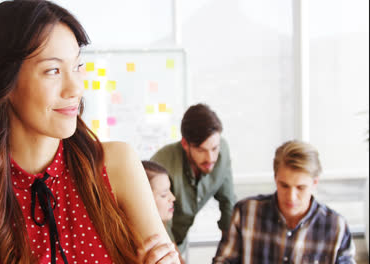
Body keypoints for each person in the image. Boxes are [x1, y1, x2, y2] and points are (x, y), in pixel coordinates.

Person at [0, 1, 180, 263]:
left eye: (77, 66)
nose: (75, 88)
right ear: (5, 82)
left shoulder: (116, 164)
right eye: (53, 70)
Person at [213, 140, 356, 264]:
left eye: (300, 188)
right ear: (275, 178)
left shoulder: (335, 227)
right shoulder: (245, 213)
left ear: (314, 183)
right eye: (284, 185)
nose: (291, 197)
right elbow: (223, 260)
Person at [151, 103, 236, 251]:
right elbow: (161, 227)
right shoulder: (162, 165)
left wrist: (229, 254)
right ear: (185, 144)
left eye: (214, 148)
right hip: (160, 244)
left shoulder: (222, 152)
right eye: (201, 150)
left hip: (180, 242)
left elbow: (228, 203)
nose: (210, 158)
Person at [142, 161, 185, 264]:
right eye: (164, 195)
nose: (173, 198)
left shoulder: (163, 235)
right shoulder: (148, 245)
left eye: (170, 190)